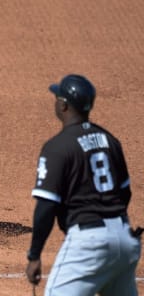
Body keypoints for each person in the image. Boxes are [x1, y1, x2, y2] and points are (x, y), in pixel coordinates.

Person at [25, 74, 141, 295]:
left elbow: (46, 207)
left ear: (64, 105)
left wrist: (34, 255)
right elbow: (125, 193)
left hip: (89, 242)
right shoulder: (110, 140)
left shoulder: (57, 147)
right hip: (125, 240)